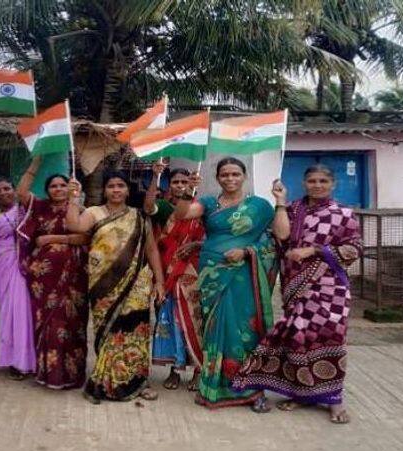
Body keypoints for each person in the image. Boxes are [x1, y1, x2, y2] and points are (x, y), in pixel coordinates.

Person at [232, 165, 362, 424]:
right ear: (304, 183)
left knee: (328, 340)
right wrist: (280, 202)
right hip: (294, 286)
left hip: (329, 289)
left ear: (332, 184)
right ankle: (301, 394)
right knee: (297, 340)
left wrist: (313, 251)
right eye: (312, 180)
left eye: (323, 181)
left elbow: (354, 248)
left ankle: (334, 399)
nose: (317, 185)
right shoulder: (292, 209)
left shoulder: (343, 214)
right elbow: (281, 236)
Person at [174, 157, 277, 411]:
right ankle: (214, 386)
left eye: (235, 174)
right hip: (212, 275)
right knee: (215, 327)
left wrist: (246, 251)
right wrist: (189, 190)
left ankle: (252, 389)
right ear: (218, 178)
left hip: (244, 274)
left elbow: (276, 239)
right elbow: (183, 214)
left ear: (244, 176)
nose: (230, 179)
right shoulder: (208, 202)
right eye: (225, 175)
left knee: (245, 330)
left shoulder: (260, 206)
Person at [66, 171, 166, 403]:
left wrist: (159, 281)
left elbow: (151, 250)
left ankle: (137, 382)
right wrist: (73, 198)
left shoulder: (139, 216)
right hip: (103, 284)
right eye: (111, 186)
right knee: (108, 331)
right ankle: (106, 379)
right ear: (105, 190)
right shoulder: (93, 212)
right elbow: (75, 226)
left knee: (135, 330)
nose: (116, 190)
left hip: (136, 282)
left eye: (120, 185)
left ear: (128, 190)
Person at [17, 156, 89, 390]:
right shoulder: (39, 207)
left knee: (71, 322)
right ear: (47, 190)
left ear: (71, 187)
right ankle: (48, 373)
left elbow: (83, 237)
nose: (58, 189)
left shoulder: (79, 208)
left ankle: (71, 375)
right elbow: (21, 192)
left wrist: (51, 238)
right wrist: (36, 162)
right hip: (44, 279)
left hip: (73, 276)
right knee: (47, 323)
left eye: (62, 185)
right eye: (53, 186)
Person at [144, 163, 206, 391]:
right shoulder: (163, 207)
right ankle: (174, 370)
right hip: (166, 272)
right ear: (169, 186)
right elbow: (148, 205)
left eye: (185, 182)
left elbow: (212, 236)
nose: (181, 186)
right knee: (168, 321)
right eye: (176, 182)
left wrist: (197, 244)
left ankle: (199, 370)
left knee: (196, 320)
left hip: (193, 272)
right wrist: (155, 176)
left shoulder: (203, 207)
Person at [0, 177, 35, 380]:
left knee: (22, 312)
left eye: (6, 188)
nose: (3, 193)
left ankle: (26, 360)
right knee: (8, 313)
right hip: (2, 266)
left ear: (14, 189)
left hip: (23, 264)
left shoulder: (26, 209)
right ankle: (13, 359)